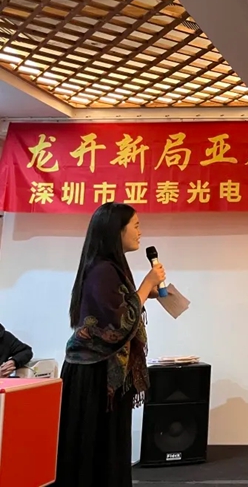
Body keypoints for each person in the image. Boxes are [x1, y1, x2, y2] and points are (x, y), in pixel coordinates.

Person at [54, 202, 166, 487]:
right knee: (96, 451)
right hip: (95, 375)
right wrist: (145, 286)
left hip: (105, 375)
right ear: (117, 230)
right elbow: (117, 325)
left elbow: (118, 311)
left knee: (106, 449)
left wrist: (145, 294)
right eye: (136, 226)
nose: (140, 232)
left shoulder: (110, 267)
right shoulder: (103, 269)